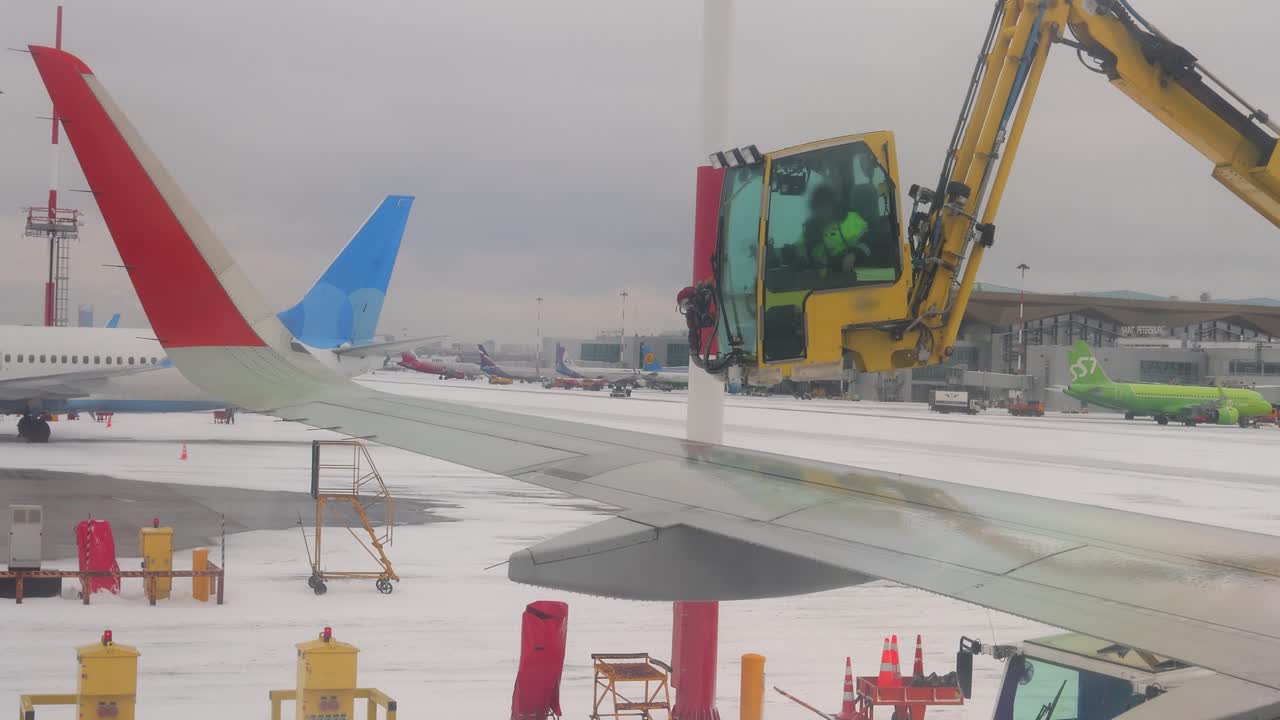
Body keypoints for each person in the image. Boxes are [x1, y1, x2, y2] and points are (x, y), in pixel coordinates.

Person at [794, 184, 871, 273]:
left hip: (855, 276)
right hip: (824, 279)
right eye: (818, 206)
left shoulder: (852, 220)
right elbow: (799, 249)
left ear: (834, 204)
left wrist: (854, 254)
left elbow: (869, 243)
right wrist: (797, 256)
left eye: (826, 204)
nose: (823, 210)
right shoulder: (811, 230)